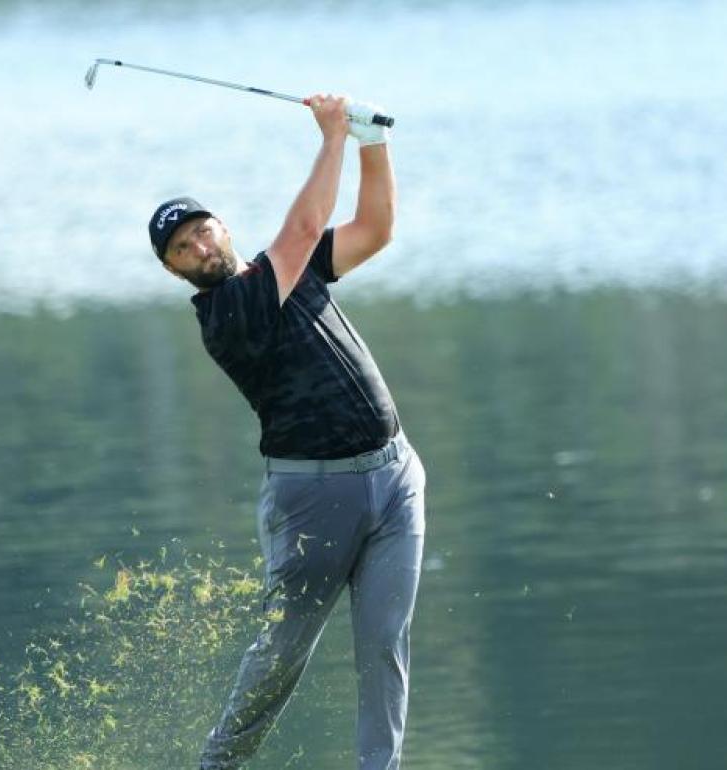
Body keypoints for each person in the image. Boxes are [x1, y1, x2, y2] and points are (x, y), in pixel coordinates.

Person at [146, 94, 426, 770]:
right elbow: (301, 229)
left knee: (385, 644)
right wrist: (332, 137)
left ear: (222, 227)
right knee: (282, 655)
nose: (199, 246)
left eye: (202, 230)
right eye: (182, 248)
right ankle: (218, 765)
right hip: (312, 499)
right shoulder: (227, 311)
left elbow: (375, 229)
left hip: (395, 478)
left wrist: (372, 143)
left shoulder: (288, 271)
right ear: (175, 270)